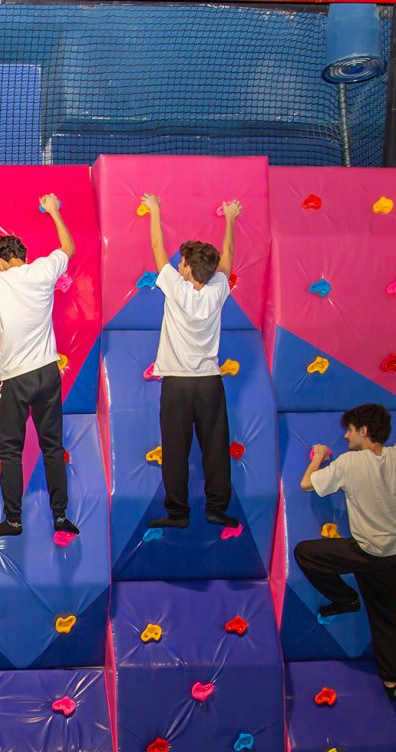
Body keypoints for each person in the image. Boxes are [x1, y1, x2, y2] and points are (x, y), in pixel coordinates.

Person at [296, 403, 396, 703]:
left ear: (364, 431)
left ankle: (345, 598)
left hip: (370, 552)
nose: (346, 436)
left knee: (305, 553)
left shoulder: (349, 462)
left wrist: (318, 456)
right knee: (384, 616)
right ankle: (393, 684)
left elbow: (306, 485)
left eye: (350, 430)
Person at [0, 193, 79, 542]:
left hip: (16, 378)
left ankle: (14, 520)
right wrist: (54, 211)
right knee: (53, 446)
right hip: (47, 372)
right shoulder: (43, 269)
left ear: (0, 261)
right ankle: (60, 515)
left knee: (10, 451)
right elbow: (68, 247)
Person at [142, 194, 242, 530]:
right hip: (209, 383)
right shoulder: (217, 290)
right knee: (215, 447)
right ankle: (216, 508)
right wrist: (231, 218)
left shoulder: (176, 287)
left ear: (186, 269)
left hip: (177, 384)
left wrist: (155, 210)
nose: (178, 264)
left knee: (175, 449)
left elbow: (157, 246)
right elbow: (228, 255)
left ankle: (178, 512)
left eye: (182, 261)